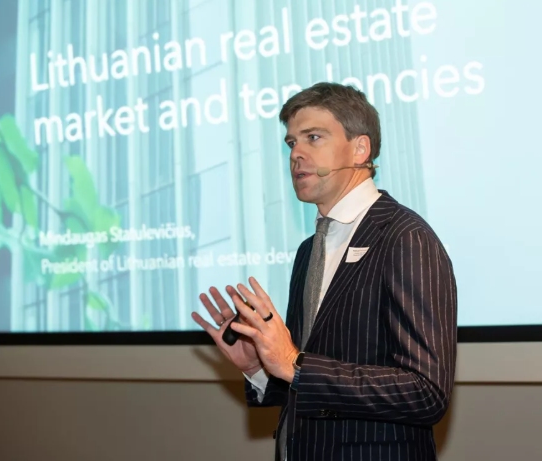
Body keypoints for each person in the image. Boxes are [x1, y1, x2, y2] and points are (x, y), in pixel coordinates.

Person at [192, 82, 457, 461]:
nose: (296, 154)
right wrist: (260, 368)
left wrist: (294, 363)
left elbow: (425, 392)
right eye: (291, 143)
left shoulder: (404, 237)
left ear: (360, 148)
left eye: (313, 137)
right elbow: (309, 383)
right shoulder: (308, 250)